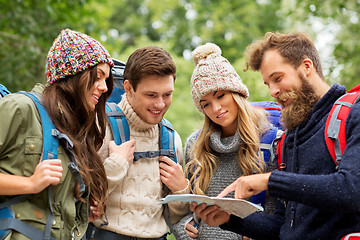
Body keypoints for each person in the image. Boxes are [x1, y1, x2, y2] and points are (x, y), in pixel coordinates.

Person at [192, 32, 360, 239]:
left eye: (277, 78)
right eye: (267, 84)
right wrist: (229, 219)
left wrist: (270, 180)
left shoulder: (354, 114)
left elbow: (352, 190)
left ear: (307, 67)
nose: (273, 91)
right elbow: (284, 227)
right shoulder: (289, 139)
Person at [0, 28, 113, 239]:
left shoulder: (73, 130)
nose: (105, 87)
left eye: (106, 80)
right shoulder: (20, 108)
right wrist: (29, 184)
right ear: (74, 75)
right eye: (98, 77)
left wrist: (81, 209)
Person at [172, 43, 278, 240]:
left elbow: (278, 216)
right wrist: (184, 227)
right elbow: (190, 211)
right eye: (206, 104)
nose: (216, 108)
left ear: (237, 92)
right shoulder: (195, 146)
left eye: (221, 95)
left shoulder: (270, 142)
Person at [90, 46, 190, 239]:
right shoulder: (100, 127)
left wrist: (181, 190)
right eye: (151, 95)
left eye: (167, 95)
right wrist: (115, 166)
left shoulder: (170, 138)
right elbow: (80, 200)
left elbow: (176, 219)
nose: (160, 104)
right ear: (128, 88)